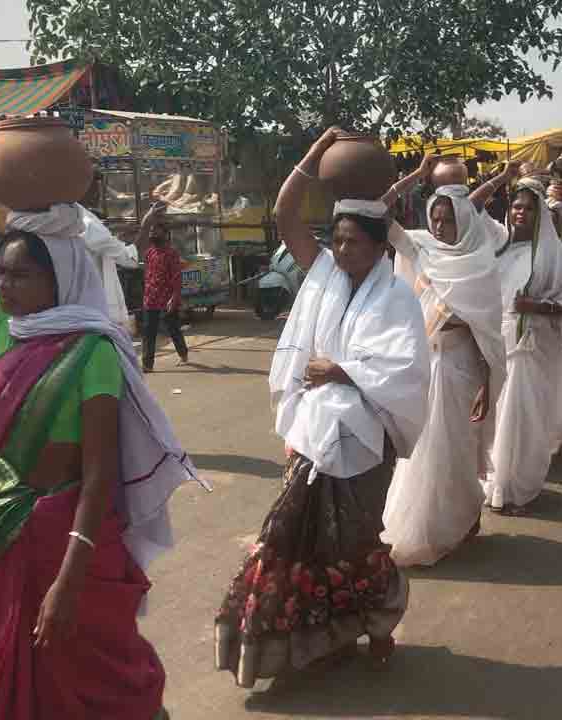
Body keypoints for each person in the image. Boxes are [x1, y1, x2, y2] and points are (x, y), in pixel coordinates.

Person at [0, 116, 201, 720]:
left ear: (61, 277)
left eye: (21, 274)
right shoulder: (3, 330)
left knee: (96, 685)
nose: (5, 286)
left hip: (65, 547)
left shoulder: (92, 351)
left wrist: (68, 581)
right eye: (1, 274)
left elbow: (98, 477)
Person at [215, 128, 430, 685]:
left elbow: (406, 370)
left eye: (353, 242)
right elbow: (286, 217)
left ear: (380, 246)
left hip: (366, 441)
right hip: (314, 434)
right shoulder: (326, 276)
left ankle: (379, 623)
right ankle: (316, 639)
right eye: (335, 240)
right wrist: (313, 154)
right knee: (295, 539)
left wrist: (341, 370)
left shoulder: (398, 297)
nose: (341, 250)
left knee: (356, 542)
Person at [381, 171, 509, 567]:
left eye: (447, 218)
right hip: (422, 363)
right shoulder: (421, 249)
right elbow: (380, 212)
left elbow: (488, 333)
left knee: (454, 449)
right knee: (418, 451)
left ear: (464, 221)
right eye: (434, 217)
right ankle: (429, 526)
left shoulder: (481, 263)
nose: (438, 225)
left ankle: (458, 519)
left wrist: (488, 385)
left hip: (460, 367)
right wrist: (416, 176)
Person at [482, 177, 562, 514]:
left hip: (531, 347)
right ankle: (497, 485)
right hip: (498, 345)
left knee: (522, 419)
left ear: (540, 214)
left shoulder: (554, 255)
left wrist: (537, 307)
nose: (520, 212)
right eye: (516, 206)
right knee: (496, 418)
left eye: (528, 207)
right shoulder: (501, 249)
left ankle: (518, 488)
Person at [134, 203, 188, 371]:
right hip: (150, 299)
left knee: (173, 329)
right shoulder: (150, 253)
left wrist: (175, 297)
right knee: (148, 333)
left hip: (166, 299)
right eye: (151, 231)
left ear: (165, 234)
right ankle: (147, 365)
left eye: (156, 231)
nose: (152, 233)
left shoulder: (171, 254)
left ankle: (183, 353)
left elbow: (176, 277)